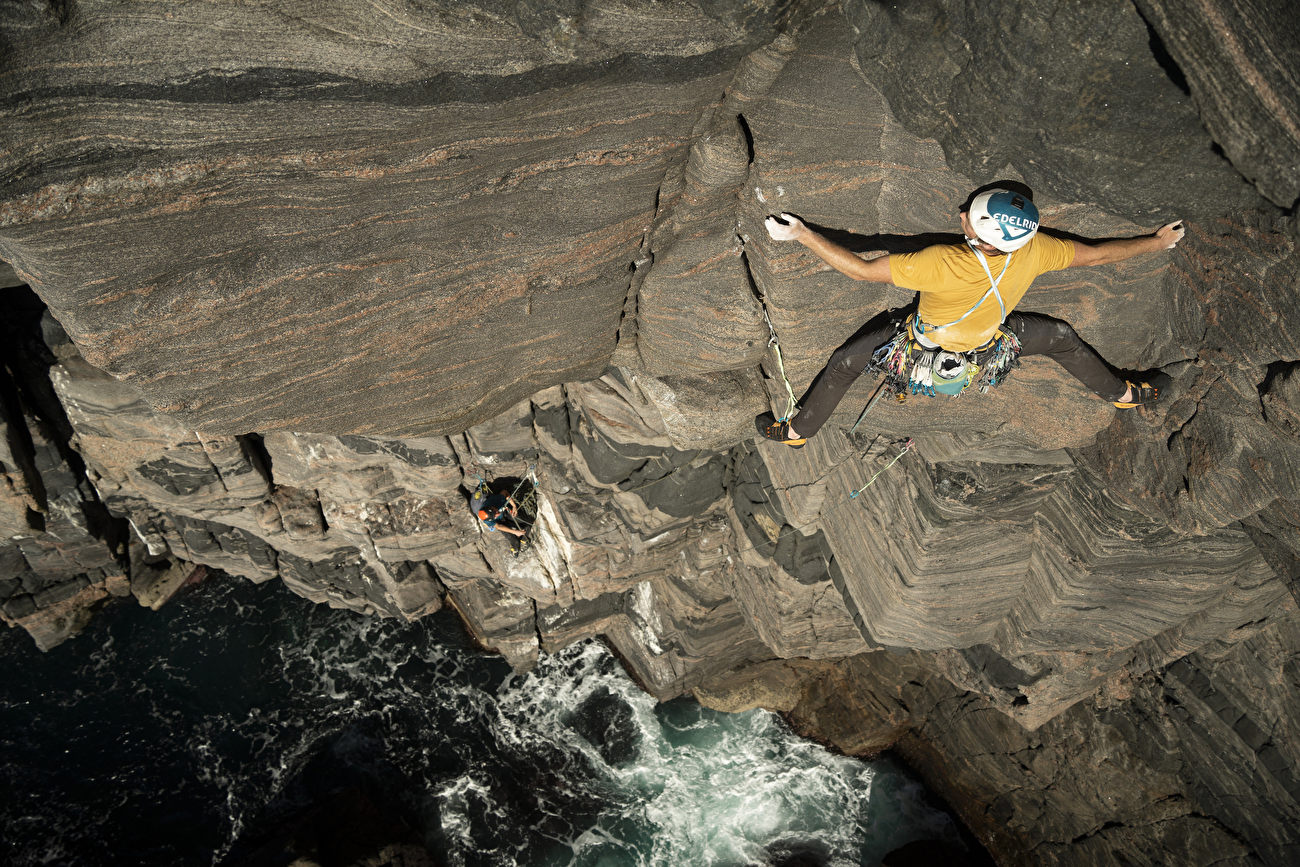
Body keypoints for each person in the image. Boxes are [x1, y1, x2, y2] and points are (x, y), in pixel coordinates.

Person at [756, 188, 1186, 447]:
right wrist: (1156, 242)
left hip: (917, 345)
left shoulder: (942, 261)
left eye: (967, 213)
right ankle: (1124, 395)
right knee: (1059, 337)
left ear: (975, 232)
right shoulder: (1037, 249)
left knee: (844, 364)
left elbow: (864, 270)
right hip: (988, 344)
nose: (961, 211)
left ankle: (796, 432)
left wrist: (801, 234)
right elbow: (1095, 256)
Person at [471, 483, 530, 552]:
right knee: (514, 541)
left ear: (491, 507)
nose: (497, 514)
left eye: (495, 511)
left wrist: (514, 506)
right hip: (499, 520)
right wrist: (514, 532)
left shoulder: (493, 501)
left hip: (504, 512)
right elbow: (499, 526)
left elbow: (504, 492)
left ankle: (523, 539)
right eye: (494, 516)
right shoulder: (487, 521)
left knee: (526, 525)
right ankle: (515, 546)